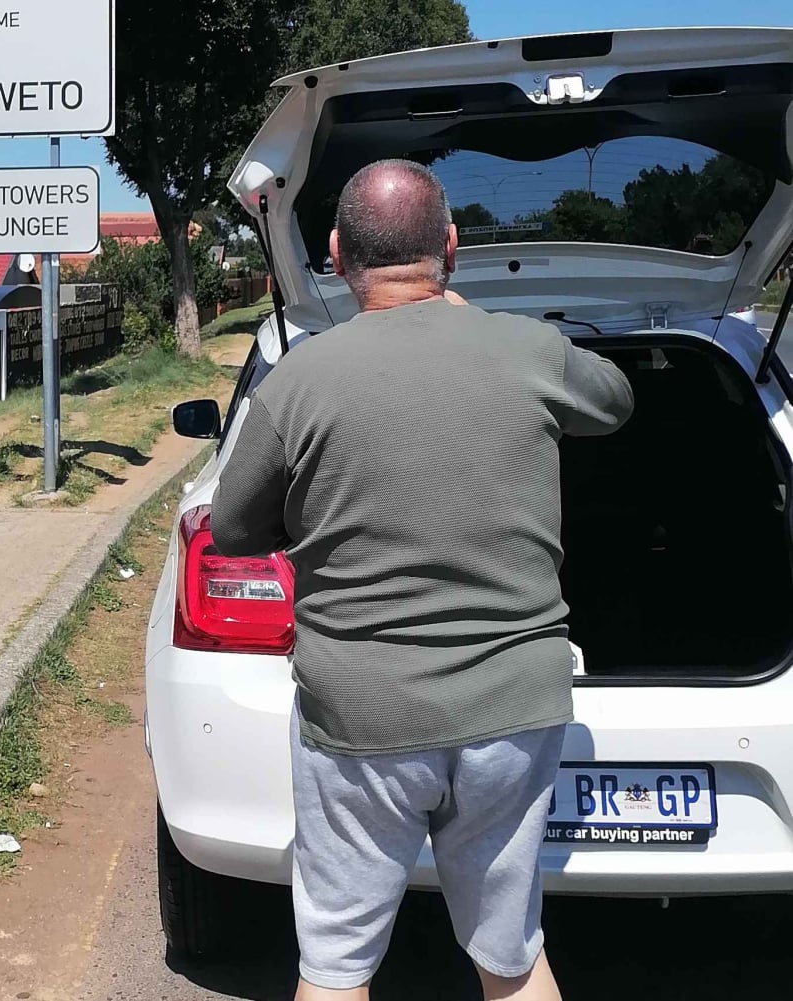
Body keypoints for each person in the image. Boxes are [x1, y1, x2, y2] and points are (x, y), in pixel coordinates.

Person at [209, 159, 634, 1001]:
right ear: (451, 246)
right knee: (512, 959)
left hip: (361, 716)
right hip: (514, 711)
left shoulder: (298, 382)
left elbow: (232, 529)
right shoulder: (528, 349)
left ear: (336, 253)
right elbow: (616, 400)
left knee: (335, 966)